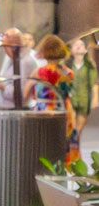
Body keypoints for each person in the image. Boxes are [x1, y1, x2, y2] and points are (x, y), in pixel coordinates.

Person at [31, 33, 79, 166]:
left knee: (44, 146)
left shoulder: (39, 72)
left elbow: (26, 92)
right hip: (64, 111)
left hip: (44, 110)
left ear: (44, 50)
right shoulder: (69, 73)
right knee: (61, 146)